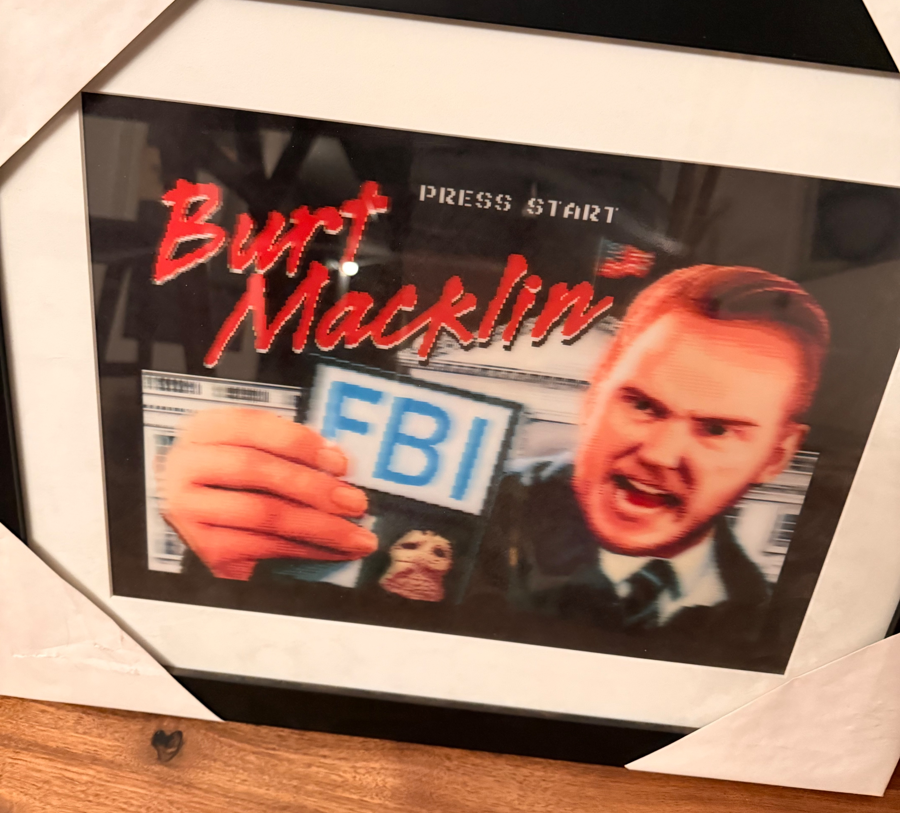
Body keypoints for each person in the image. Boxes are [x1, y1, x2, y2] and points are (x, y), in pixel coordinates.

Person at [160, 264, 829, 660]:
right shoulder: (444, 505)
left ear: (776, 455)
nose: (660, 454)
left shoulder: (781, 622)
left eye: (716, 429)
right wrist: (224, 544)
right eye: (643, 405)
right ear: (594, 396)